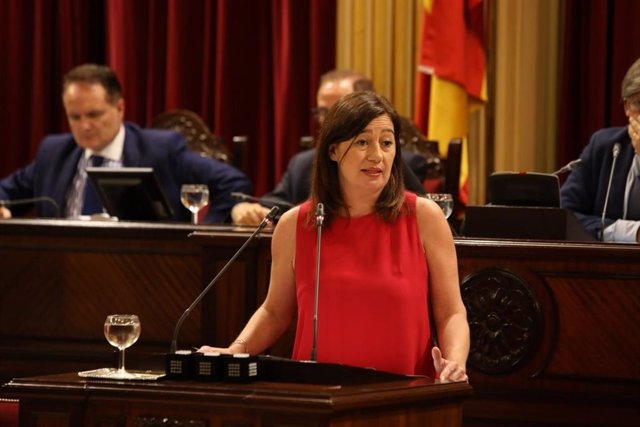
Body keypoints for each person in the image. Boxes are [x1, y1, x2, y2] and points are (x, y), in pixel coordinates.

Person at [200, 91, 470, 381]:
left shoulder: (424, 218)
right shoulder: (295, 225)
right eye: (363, 142)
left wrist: (455, 362)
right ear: (332, 151)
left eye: (386, 142)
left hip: (402, 398)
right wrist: (235, 350)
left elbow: (451, 313)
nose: (377, 155)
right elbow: (275, 311)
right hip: (318, 399)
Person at [0, 63, 251, 223]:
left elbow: (233, 183)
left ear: (119, 108)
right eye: (74, 117)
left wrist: (202, 233)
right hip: (60, 274)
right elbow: (8, 191)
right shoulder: (54, 152)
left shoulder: (161, 149)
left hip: (139, 272)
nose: (84, 125)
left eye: (94, 115)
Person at [231, 69, 430, 225]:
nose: (328, 121)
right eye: (322, 112)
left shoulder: (400, 163)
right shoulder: (302, 164)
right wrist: (244, 209)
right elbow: (273, 207)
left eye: (338, 111)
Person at [561, 57, 640, 242]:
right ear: (627, 108)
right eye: (639, 103)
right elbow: (565, 214)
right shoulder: (605, 146)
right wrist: (630, 232)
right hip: (606, 266)